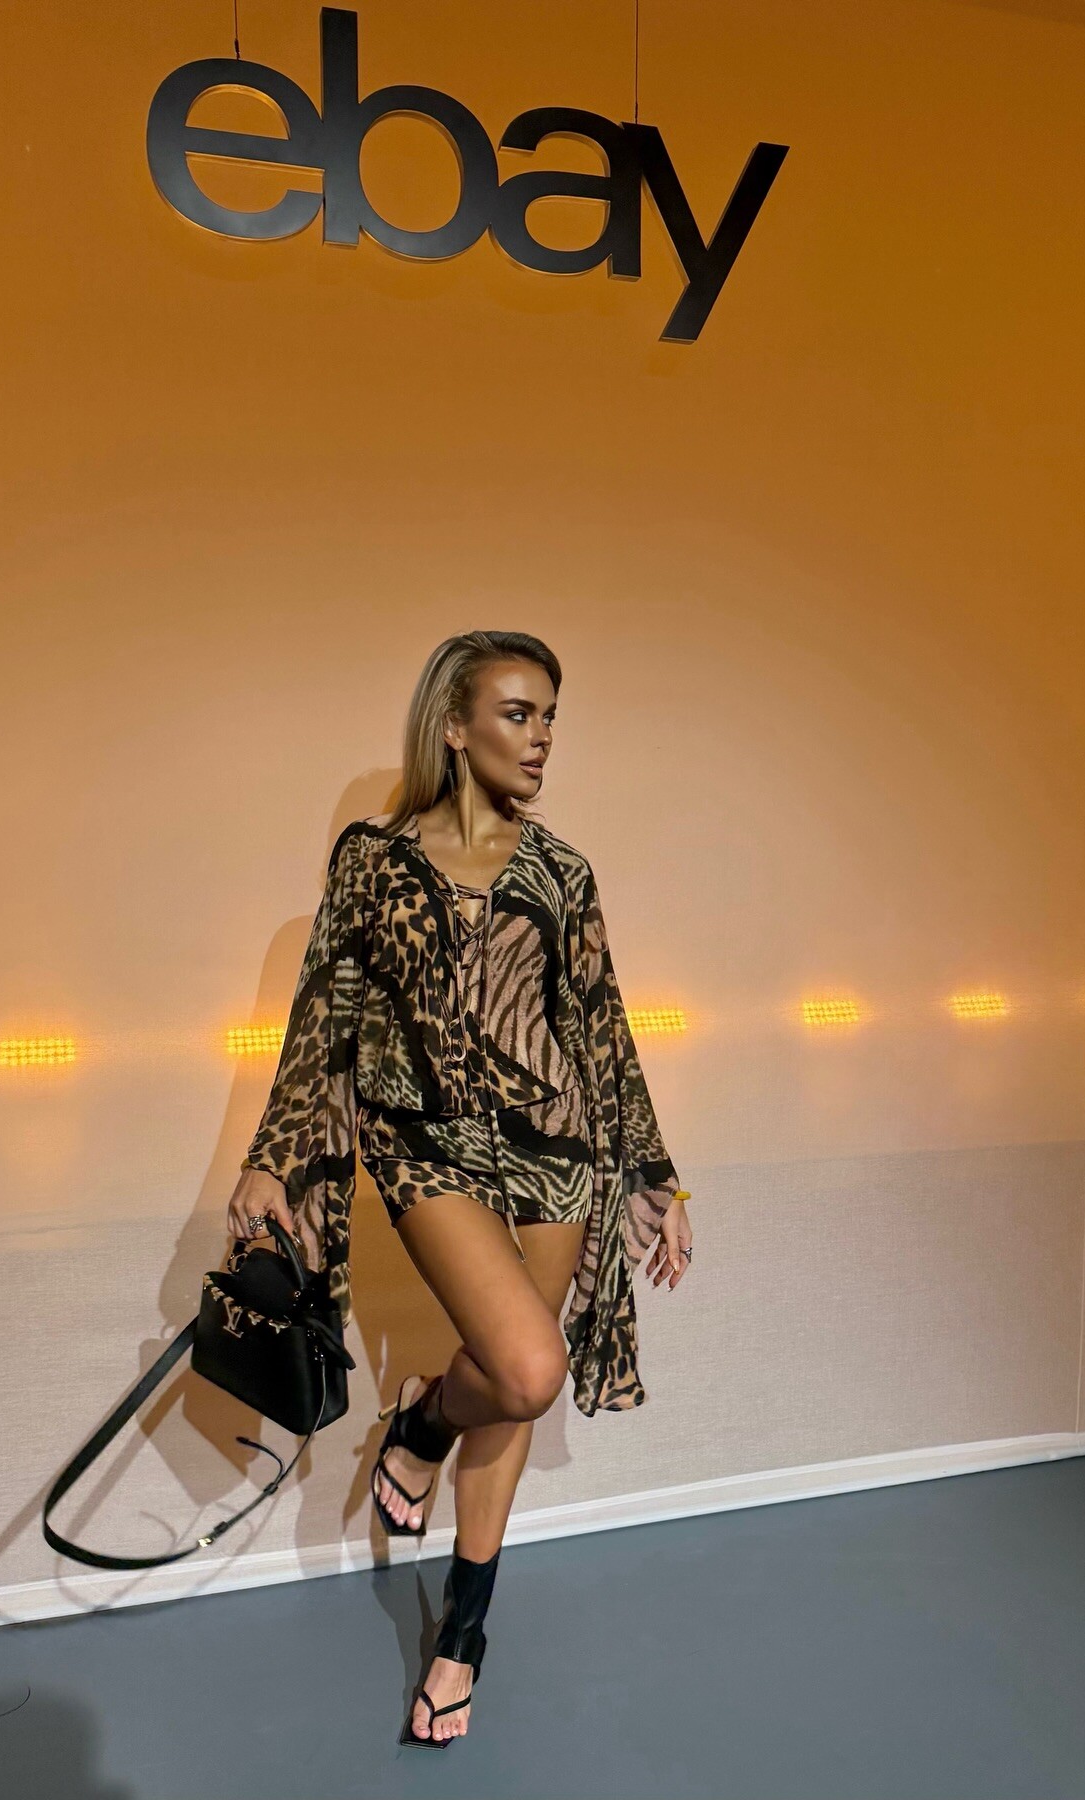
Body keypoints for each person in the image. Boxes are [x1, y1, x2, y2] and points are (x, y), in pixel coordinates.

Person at [226, 629, 693, 1748]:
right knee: (526, 1367)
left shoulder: (563, 873)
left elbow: (602, 1029)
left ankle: (462, 1635)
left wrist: (653, 1176)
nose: (541, 738)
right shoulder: (374, 862)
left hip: (555, 1150)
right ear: (454, 724)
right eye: (518, 714)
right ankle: (427, 1420)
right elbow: (324, 1014)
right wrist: (272, 1156)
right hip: (427, 1147)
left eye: (549, 717)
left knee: (516, 1393)